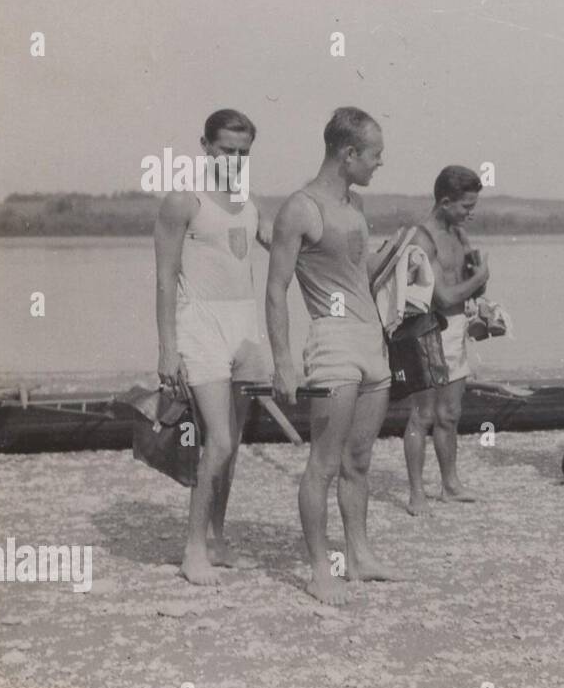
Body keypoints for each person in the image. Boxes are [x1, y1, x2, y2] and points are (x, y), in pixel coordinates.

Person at [265, 107, 407, 604]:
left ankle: (360, 556)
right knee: (323, 462)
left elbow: (355, 274)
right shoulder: (301, 208)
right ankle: (319, 569)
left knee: (360, 459)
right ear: (348, 154)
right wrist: (283, 361)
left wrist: (393, 258)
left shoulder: (355, 205)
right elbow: (276, 289)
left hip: (371, 339)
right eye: (375, 156)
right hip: (332, 342)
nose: (379, 165)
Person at [154, 109, 270, 586]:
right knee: (217, 440)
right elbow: (164, 279)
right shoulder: (184, 201)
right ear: (205, 146)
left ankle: (218, 540)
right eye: (226, 150)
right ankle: (193, 549)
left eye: (243, 153)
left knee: (233, 444)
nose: (234, 160)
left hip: (245, 327)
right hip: (199, 328)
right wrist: (167, 349)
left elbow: (288, 253)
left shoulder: (250, 205)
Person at [403, 166, 490, 510]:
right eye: (466, 206)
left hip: (455, 330)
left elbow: (469, 290)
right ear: (444, 201)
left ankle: (449, 484)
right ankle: (416, 493)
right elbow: (442, 297)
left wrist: (479, 279)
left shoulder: (458, 233)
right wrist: (480, 275)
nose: (472, 213)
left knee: (450, 413)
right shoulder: (422, 239)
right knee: (422, 415)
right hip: (425, 329)